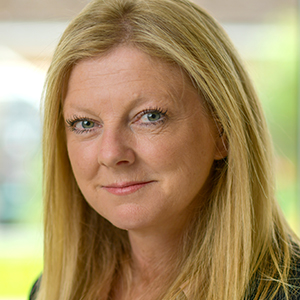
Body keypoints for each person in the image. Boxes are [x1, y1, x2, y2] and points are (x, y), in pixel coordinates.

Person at [30, 0, 300, 299]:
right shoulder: (49, 290)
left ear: (223, 130)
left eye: (150, 117)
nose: (110, 153)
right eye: (84, 123)